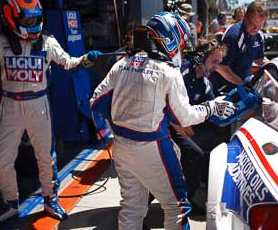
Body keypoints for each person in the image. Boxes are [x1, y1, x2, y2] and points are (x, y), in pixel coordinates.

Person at [90, 12, 236, 230]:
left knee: (132, 208)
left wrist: (125, 120)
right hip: (152, 146)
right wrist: (212, 107)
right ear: (171, 39)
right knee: (177, 208)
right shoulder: (169, 72)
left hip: (121, 144)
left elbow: (96, 103)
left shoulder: (122, 64)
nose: (183, 48)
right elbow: (184, 117)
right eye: (182, 42)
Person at [0, 0, 100, 226]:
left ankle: (50, 199)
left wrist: (85, 60)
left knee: (46, 158)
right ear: (10, 14)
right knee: (1, 161)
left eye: (35, 17)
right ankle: (10, 203)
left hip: (39, 106)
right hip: (10, 107)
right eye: (26, 18)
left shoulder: (48, 41)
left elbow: (68, 62)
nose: (31, 22)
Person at [171, 35, 227, 205]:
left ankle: (204, 188)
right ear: (202, 56)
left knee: (218, 144)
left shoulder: (205, 82)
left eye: (219, 62)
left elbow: (211, 108)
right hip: (169, 126)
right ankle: (185, 200)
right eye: (214, 60)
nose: (216, 66)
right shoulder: (180, 74)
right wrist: (175, 124)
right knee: (195, 154)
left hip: (188, 126)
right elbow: (162, 101)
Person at [210, 0, 269, 92]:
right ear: (245, 17)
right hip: (223, 88)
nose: (255, 29)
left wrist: (272, 65)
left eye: (259, 26)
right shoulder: (233, 36)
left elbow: (259, 59)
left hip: (241, 86)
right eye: (253, 24)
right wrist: (242, 84)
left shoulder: (258, 36)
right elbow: (220, 67)